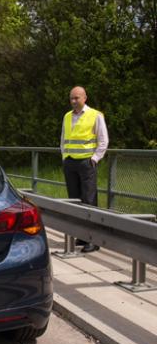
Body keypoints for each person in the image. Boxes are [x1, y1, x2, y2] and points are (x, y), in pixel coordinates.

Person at [61, 86, 109, 253]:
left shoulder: (95, 115)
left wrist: (94, 159)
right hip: (70, 163)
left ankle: (93, 240)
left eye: (77, 98)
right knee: (75, 201)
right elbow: (63, 139)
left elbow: (103, 141)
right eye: (72, 98)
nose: (74, 101)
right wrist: (64, 157)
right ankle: (81, 236)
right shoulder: (67, 116)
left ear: (85, 98)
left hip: (86, 164)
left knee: (89, 201)